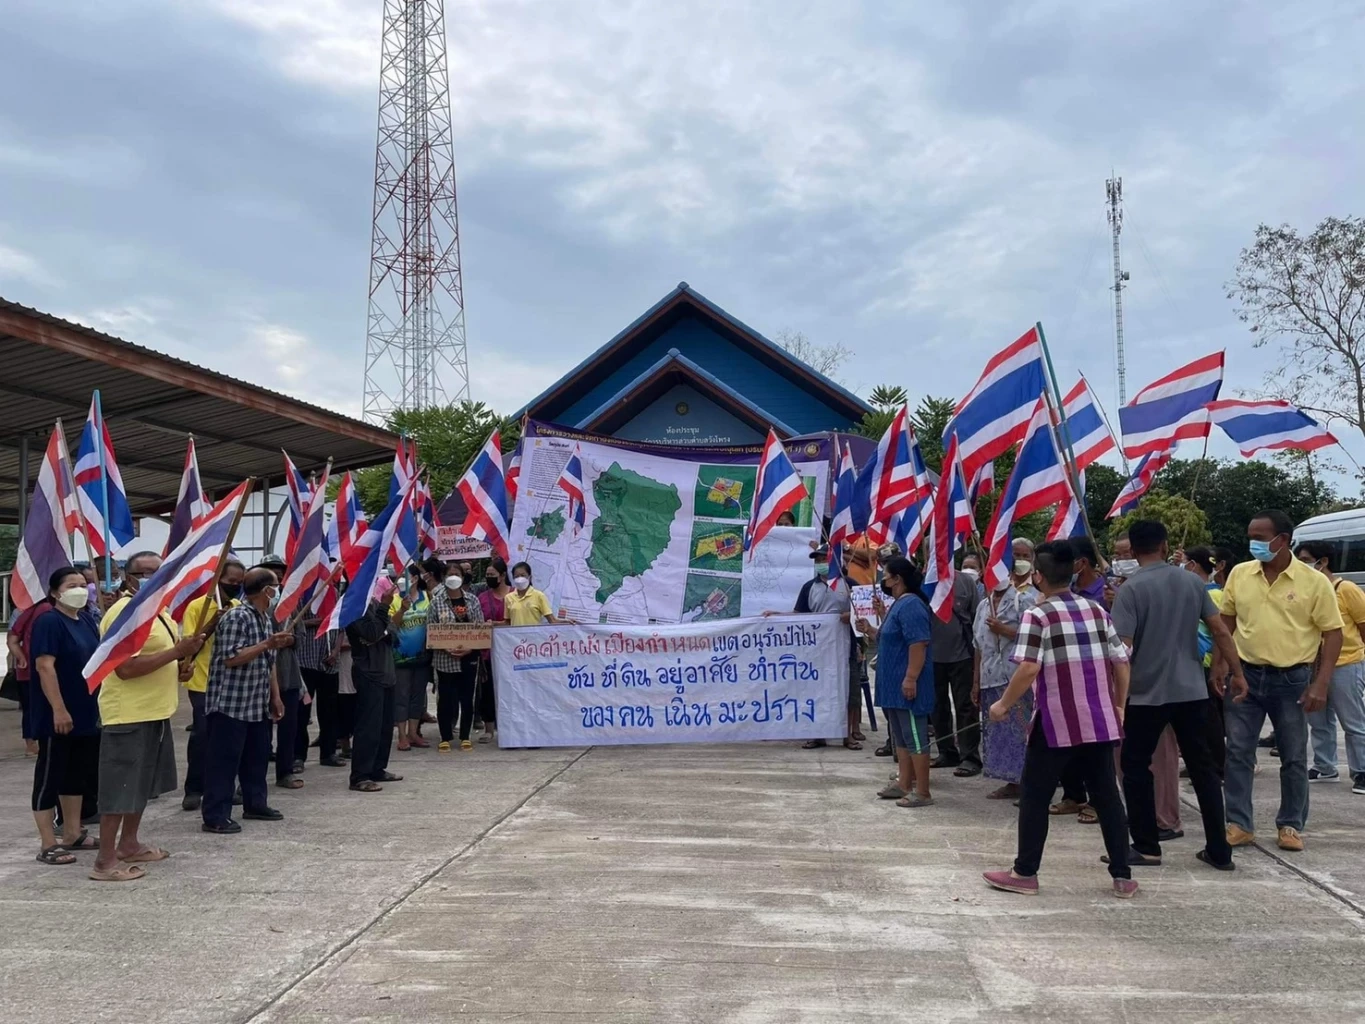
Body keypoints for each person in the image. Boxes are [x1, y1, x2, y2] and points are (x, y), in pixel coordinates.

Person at [982, 540, 1137, 899]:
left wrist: (1003, 704)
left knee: (1035, 797)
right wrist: (1119, 706)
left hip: (1055, 720)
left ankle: (1025, 872)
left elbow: (1028, 667)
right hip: (1099, 717)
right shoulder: (1096, 610)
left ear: (1038, 576)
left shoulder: (1037, 615)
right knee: (1107, 797)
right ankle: (1122, 876)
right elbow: (1121, 661)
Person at [1112, 520, 1241, 871]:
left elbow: (1122, 649)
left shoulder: (1130, 590)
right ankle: (1219, 850)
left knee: (1135, 767)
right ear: (1166, 546)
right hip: (1191, 691)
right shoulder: (1192, 582)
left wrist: (1116, 696)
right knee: (1203, 769)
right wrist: (1235, 672)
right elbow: (1221, 630)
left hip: (1146, 693)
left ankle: (1147, 846)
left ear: (1133, 550)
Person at [1217, 509, 1343, 853]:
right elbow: (1226, 624)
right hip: (1244, 676)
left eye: (1259, 538)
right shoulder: (1241, 574)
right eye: (1251, 537)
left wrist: (1321, 683)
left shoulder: (1313, 581)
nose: (1252, 544)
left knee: (1293, 756)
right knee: (1238, 752)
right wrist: (1221, 666)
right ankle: (1239, 824)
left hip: (1292, 680)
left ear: (1282, 540)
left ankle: (1290, 824)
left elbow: (1333, 633)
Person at [93, 551, 203, 877]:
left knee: (141, 785)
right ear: (128, 577)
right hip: (127, 714)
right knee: (119, 788)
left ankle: (129, 844)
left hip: (156, 711)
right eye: (145, 573)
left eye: (158, 571)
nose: (153, 578)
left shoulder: (159, 612)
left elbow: (160, 658)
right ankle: (104, 860)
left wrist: (179, 667)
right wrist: (176, 652)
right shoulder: (124, 613)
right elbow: (125, 669)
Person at [201, 568, 289, 834]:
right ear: (266, 590)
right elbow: (231, 658)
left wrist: (275, 696)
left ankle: (255, 804)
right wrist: (266, 644)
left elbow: (269, 663)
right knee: (224, 763)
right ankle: (216, 815)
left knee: (257, 759)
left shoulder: (264, 618)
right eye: (276, 586)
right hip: (231, 704)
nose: (277, 591)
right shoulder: (237, 616)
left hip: (256, 702)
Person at [27, 568, 103, 868]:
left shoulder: (85, 620)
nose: (80, 590)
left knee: (77, 774)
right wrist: (59, 708)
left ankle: (72, 832)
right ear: (55, 592)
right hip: (56, 713)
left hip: (86, 711)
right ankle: (48, 842)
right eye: (72, 585)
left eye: (83, 584)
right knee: (50, 776)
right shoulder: (49, 621)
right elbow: (44, 666)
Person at [858, 556, 935, 808]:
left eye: (886, 576)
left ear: (897, 579)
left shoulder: (912, 605)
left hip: (907, 685)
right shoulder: (898, 604)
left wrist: (911, 678)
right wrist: (870, 629)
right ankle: (904, 783)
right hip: (893, 686)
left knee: (914, 736)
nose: (884, 580)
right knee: (900, 737)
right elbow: (889, 638)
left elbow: (918, 643)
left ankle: (922, 791)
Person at [1294, 541, 1365, 794]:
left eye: (1305, 560)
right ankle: (1325, 766)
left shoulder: (1345, 589)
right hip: (1312, 664)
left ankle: (1361, 770)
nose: (1301, 565)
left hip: (1345, 663)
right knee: (1318, 719)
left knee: (1352, 721)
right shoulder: (1305, 590)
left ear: (1322, 562)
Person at [179, 558, 245, 811]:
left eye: (239, 582)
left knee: (229, 738)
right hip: (202, 681)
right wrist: (214, 621)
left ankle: (224, 785)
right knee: (202, 735)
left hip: (231, 683)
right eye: (231, 581)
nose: (235, 586)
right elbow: (189, 647)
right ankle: (194, 788)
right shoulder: (198, 606)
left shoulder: (239, 607)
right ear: (218, 580)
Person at [972, 562, 1038, 800]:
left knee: (1021, 731)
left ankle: (1028, 783)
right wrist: (976, 682)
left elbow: (1034, 638)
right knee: (998, 733)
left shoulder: (1024, 601)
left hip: (1015, 678)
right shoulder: (983, 605)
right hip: (990, 677)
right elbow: (978, 645)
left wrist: (1005, 630)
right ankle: (1010, 781)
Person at [786, 546, 861, 750]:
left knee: (849, 691)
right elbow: (798, 616)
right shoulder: (808, 587)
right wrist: (775, 616)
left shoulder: (850, 585)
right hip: (816, 650)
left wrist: (850, 616)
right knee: (816, 691)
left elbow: (865, 613)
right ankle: (817, 734)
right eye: (817, 560)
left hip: (846, 647)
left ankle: (848, 735)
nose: (820, 563)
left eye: (824, 559)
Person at [347, 576, 404, 792]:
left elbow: (393, 633)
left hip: (386, 671)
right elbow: (372, 633)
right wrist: (384, 613)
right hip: (369, 672)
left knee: (384, 726)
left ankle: (377, 768)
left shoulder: (372, 603)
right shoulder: (353, 606)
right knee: (368, 727)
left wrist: (383, 630)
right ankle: (360, 775)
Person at [929, 554, 981, 776]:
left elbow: (977, 617)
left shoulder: (966, 582)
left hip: (962, 655)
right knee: (937, 707)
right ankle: (946, 751)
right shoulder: (925, 583)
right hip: (932, 657)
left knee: (966, 707)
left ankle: (970, 757)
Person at [427, 556, 486, 751]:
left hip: (469, 658)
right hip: (444, 659)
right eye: (450, 574)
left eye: (457, 574)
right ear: (444, 578)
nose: (453, 577)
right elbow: (431, 630)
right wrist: (446, 647)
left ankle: (465, 736)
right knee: (445, 699)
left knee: (467, 698)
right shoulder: (436, 602)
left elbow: (479, 628)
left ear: (462, 577)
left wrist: (469, 648)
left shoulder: (472, 600)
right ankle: (445, 736)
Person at [1184, 546, 1229, 777]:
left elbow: (1220, 633)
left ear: (1193, 565)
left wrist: (1218, 665)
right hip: (1198, 663)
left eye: (1184, 562)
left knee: (1210, 719)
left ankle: (1217, 766)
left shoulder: (1210, 594)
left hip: (1206, 664)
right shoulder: (1207, 592)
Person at [392, 565, 433, 751]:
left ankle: (413, 733)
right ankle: (402, 736)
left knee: (418, 696)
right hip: (400, 658)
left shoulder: (427, 598)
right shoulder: (394, 600)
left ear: (415, 579)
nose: (400, 579)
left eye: (405, 575)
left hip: (423, 657)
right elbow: (391, 625)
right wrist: (402, 609)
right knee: (401, 697)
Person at [298, 617, 344, 768]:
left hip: (330, 664)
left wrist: (336, 651)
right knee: (302, 713)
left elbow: (340, 628)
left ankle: (328, 753)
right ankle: (298, 756)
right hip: (306, 662)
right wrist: (310, 623)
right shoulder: (300, 602)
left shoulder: (334, 601)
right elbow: (291, 624)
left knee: (329, 712)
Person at [476, 557, 511, 743]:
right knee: (488, 691)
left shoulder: (514, 595)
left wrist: (496, 624)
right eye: (487, 574)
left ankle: (510, 726)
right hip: (487, 653)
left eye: (492, 574)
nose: (489, 578)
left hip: (511, 654)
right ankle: (489, 729)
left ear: (503, 575)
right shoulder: (482, 598)